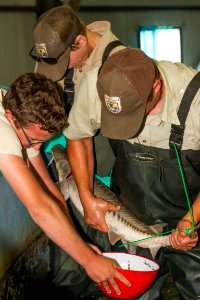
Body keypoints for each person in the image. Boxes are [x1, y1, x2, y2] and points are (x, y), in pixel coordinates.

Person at [65, 48, 200, 299]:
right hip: (130, 213)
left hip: (192, 211)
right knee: (130, 291)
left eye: (134, 113)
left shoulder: (196, 100)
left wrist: (191, 219)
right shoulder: (100, 85)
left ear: (156, 86)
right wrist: (85, 195)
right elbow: (78, 136)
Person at [0, 72, 131, 297]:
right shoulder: (5, 130)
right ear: (11, 117)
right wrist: (88, 260)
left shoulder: (22, 116)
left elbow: (50, 190)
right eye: (34, 141)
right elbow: (39, 207)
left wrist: (78, 242)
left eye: (42, 141)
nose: (37, 147)